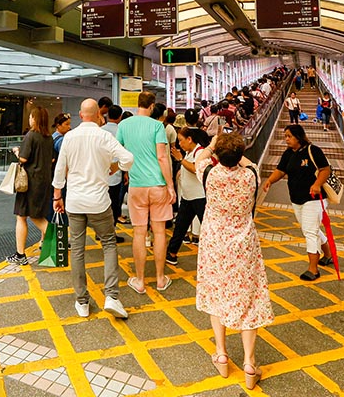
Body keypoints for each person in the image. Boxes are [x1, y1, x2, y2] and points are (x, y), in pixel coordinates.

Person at [196, 132, 273, 390]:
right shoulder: (251, 174)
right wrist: (235, 153)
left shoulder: (208, 174)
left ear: (218, 155)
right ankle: (250, 364)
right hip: (243, 245)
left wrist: (213, 144)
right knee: (249, 298)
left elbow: (202, 156)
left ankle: (221, 355)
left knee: (217, 294)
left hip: (214, 244)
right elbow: (247, 162)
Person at [53, 99, 134, 318]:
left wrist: (57, 196)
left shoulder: (69, 137)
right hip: (99, 202)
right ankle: (112, 297)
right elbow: (128, 158)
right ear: (98, 114)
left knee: (78, 249)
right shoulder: (105, 136)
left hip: (75, 202)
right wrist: (116, 167)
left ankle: (82, 302)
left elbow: (60, 170)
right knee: (108, 244)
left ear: (80, 115)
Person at [117, 91, 174, 293]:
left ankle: (140, 281)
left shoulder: (124, 125)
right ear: (151, 107)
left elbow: (119, 153)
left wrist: (124, 171)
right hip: (157, 186)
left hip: (137, 186)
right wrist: (170, 186)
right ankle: (160, 279)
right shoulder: (157, 126)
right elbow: (162, 157)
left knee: (139, 233)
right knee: (159, 232)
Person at [262, 124, 333, 280]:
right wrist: (270, 181)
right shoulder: (288, 153)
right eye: (285, 136)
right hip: (296, 198)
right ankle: (328, 255)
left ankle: (313, 269)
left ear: (298, 137)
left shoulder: (312, 150)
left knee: (309, 231)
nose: (286, 139)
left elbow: (325, 169)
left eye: (289, 136)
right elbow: (281, 170)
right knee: (310, 228)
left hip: (313, 199)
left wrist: (317, 184)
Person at [7, 107, 55, 264]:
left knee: (23, 216)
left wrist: (16, 151)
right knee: (36, 215)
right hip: (44, 181)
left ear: (35, 119)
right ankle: (22, 253)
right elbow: (52, 159)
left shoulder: (31, 136)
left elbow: (23, 159)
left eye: (31, 117)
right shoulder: (49, 138)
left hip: (30, 182)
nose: (29, 119)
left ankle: (21, 254)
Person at [166, 127, 210, 265]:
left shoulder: (201, 152)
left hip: (200, 197)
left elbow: (196, 169)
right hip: (187, 197)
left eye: (181, 140)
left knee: (208, 228)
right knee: (180, 226)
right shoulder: (189, 152)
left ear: (189, 139)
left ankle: (215, 256)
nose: (179, 143)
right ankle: (171, 253)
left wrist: (180, 160)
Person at [101, 105, 127, 241]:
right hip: (115, 175)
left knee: (101, 205)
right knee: (114, 206)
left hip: (100, 175)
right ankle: (110, 234)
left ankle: (100, 233)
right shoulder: (121, 131)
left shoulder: (100, 131)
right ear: (120, 117)